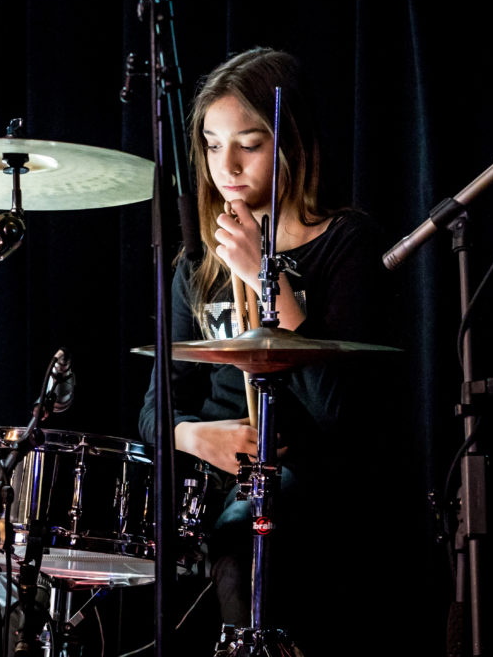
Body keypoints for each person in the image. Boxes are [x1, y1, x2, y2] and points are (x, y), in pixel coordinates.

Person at [139, 47, 400, 654]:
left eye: (249, 145)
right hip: (209, 479)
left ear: (292, 146)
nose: (226, 166)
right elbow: (155, 411)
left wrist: (266, 277)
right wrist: (195, 437)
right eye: (212, 145)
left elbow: (340, 410)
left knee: (244, 536)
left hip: (314, 483)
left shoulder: (346, 243)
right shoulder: (197, 267)